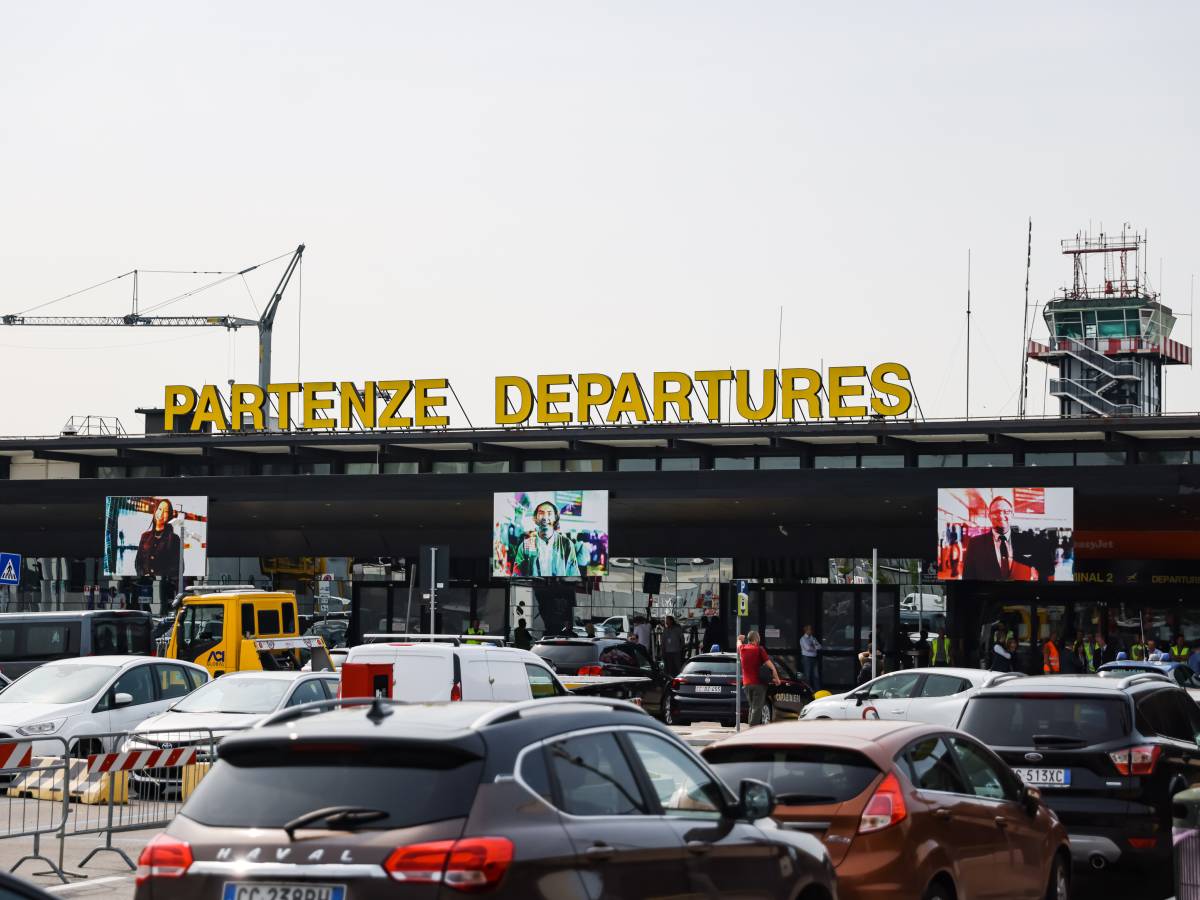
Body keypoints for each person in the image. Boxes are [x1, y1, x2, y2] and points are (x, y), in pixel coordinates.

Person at [962, 495, 1036, 581]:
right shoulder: (975, 544)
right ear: (989, 516)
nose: (1001, 516)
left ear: (1012, 514)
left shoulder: (1026, 541)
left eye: (1006, 512)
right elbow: (967, 578)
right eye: (996, 512)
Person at [512, 502, 580, 576]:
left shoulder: (567, 544)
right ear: (535, 518)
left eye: (549, 513)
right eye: (541, 513)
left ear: (555, 518)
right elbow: (517, 576)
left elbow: (574, 574)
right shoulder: (525, 546)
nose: (545, 517)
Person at [738, 630, 780, 726]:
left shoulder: (742, 649)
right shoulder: (759, 649)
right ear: (756, 639)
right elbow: (770, 665)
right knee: (757, 708)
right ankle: (752, 730)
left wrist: (739, 639)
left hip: (746, 684)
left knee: (752, 707)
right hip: (758, 684)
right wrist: (776, 678)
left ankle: (750, 729)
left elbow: (738, 644)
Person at [134, 498, 182, 578]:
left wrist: (158, 576)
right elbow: (138, 563)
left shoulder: (174, 539)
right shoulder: (144, 536)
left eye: (166, 511)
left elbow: (179, 567)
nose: (161, 513)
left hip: (164, 585)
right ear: (155, 511)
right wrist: (143, 575)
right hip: (144, 584)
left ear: (169, 516)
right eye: (160, 509)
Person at [800, 624, 822, 689]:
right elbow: (807, 648)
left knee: (816, 675)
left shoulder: (813, 638)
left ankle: (818, 690)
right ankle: (808, 690)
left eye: (811, 629)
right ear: (806, 630)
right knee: (807, 675)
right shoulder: (803, 639)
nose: (811, 631)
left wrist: (813, 646)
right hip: (806, 658)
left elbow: (820, 647)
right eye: (810, 629)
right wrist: (814, 647)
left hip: (814, 658)